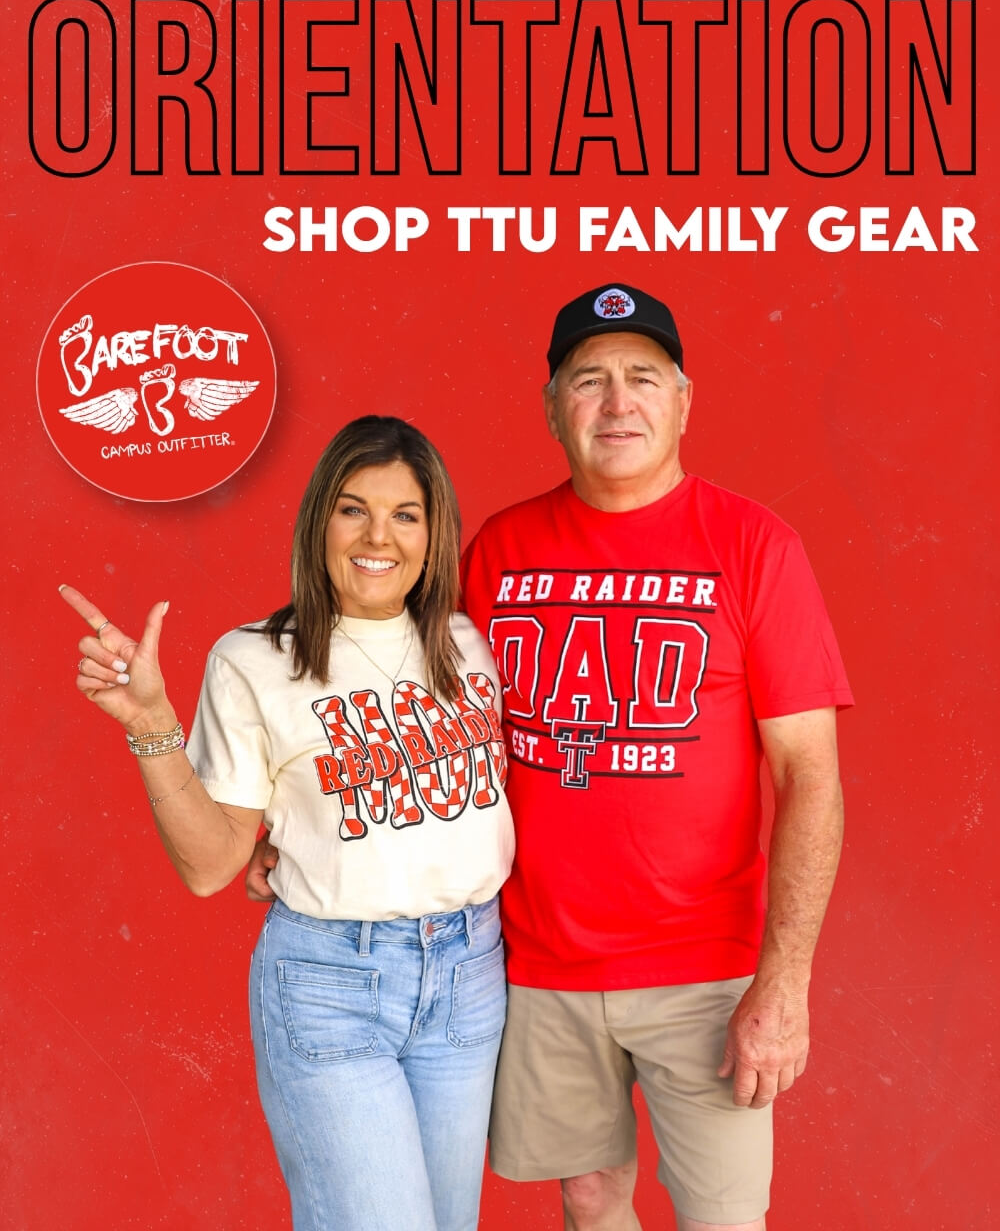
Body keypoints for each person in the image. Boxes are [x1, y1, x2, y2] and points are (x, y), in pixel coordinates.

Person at [247, 284, 853, 1230]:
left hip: (703, 970)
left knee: (726, 1218)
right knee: (588, 1199)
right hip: (535, 964)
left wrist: (784, 984)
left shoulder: (754, 547)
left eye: (642, 378)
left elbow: (810, 775)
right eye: (590, 380)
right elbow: (382, 692)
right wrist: (290, 821)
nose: (618, 403)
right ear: (552, 408)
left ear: (684, 399)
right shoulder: (496, 552)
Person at [61, 415, 514, 1231]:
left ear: (433, 529)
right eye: (353, 509)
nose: (380, 536)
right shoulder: (257, 659)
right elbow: (210, 865)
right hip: (333, 983)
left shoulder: (467, 641)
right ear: (319, 523)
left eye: (405, 514)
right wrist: (150, 723)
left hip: (469, 976)